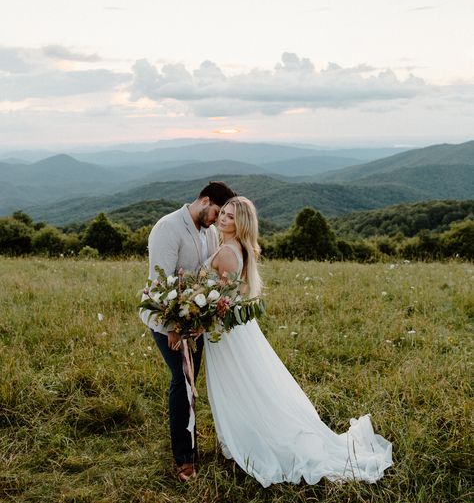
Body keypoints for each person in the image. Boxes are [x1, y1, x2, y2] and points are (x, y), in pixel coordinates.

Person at [204, 196, 393, 487]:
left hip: (226, 332)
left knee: (239, 384)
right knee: (247, 383)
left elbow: (226, 299)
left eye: (230, 217)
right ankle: (247, 432)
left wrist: (198, 308)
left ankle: (257, 439)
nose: (223, 219)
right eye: (223, 214)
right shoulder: (236, 247)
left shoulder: (229, 251)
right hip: (233, 330)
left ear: (241, 223)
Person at [139, 181, 236, 482]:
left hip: (196, 324)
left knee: (192, 383)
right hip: (167, 322)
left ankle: (192, 444)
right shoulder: (168, 228)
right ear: (204, 200)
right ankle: (183, 459)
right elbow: (161, 283)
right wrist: (173, 328)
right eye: (217, 211)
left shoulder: (207, 231)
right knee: (181, 381)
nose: (218, 219)